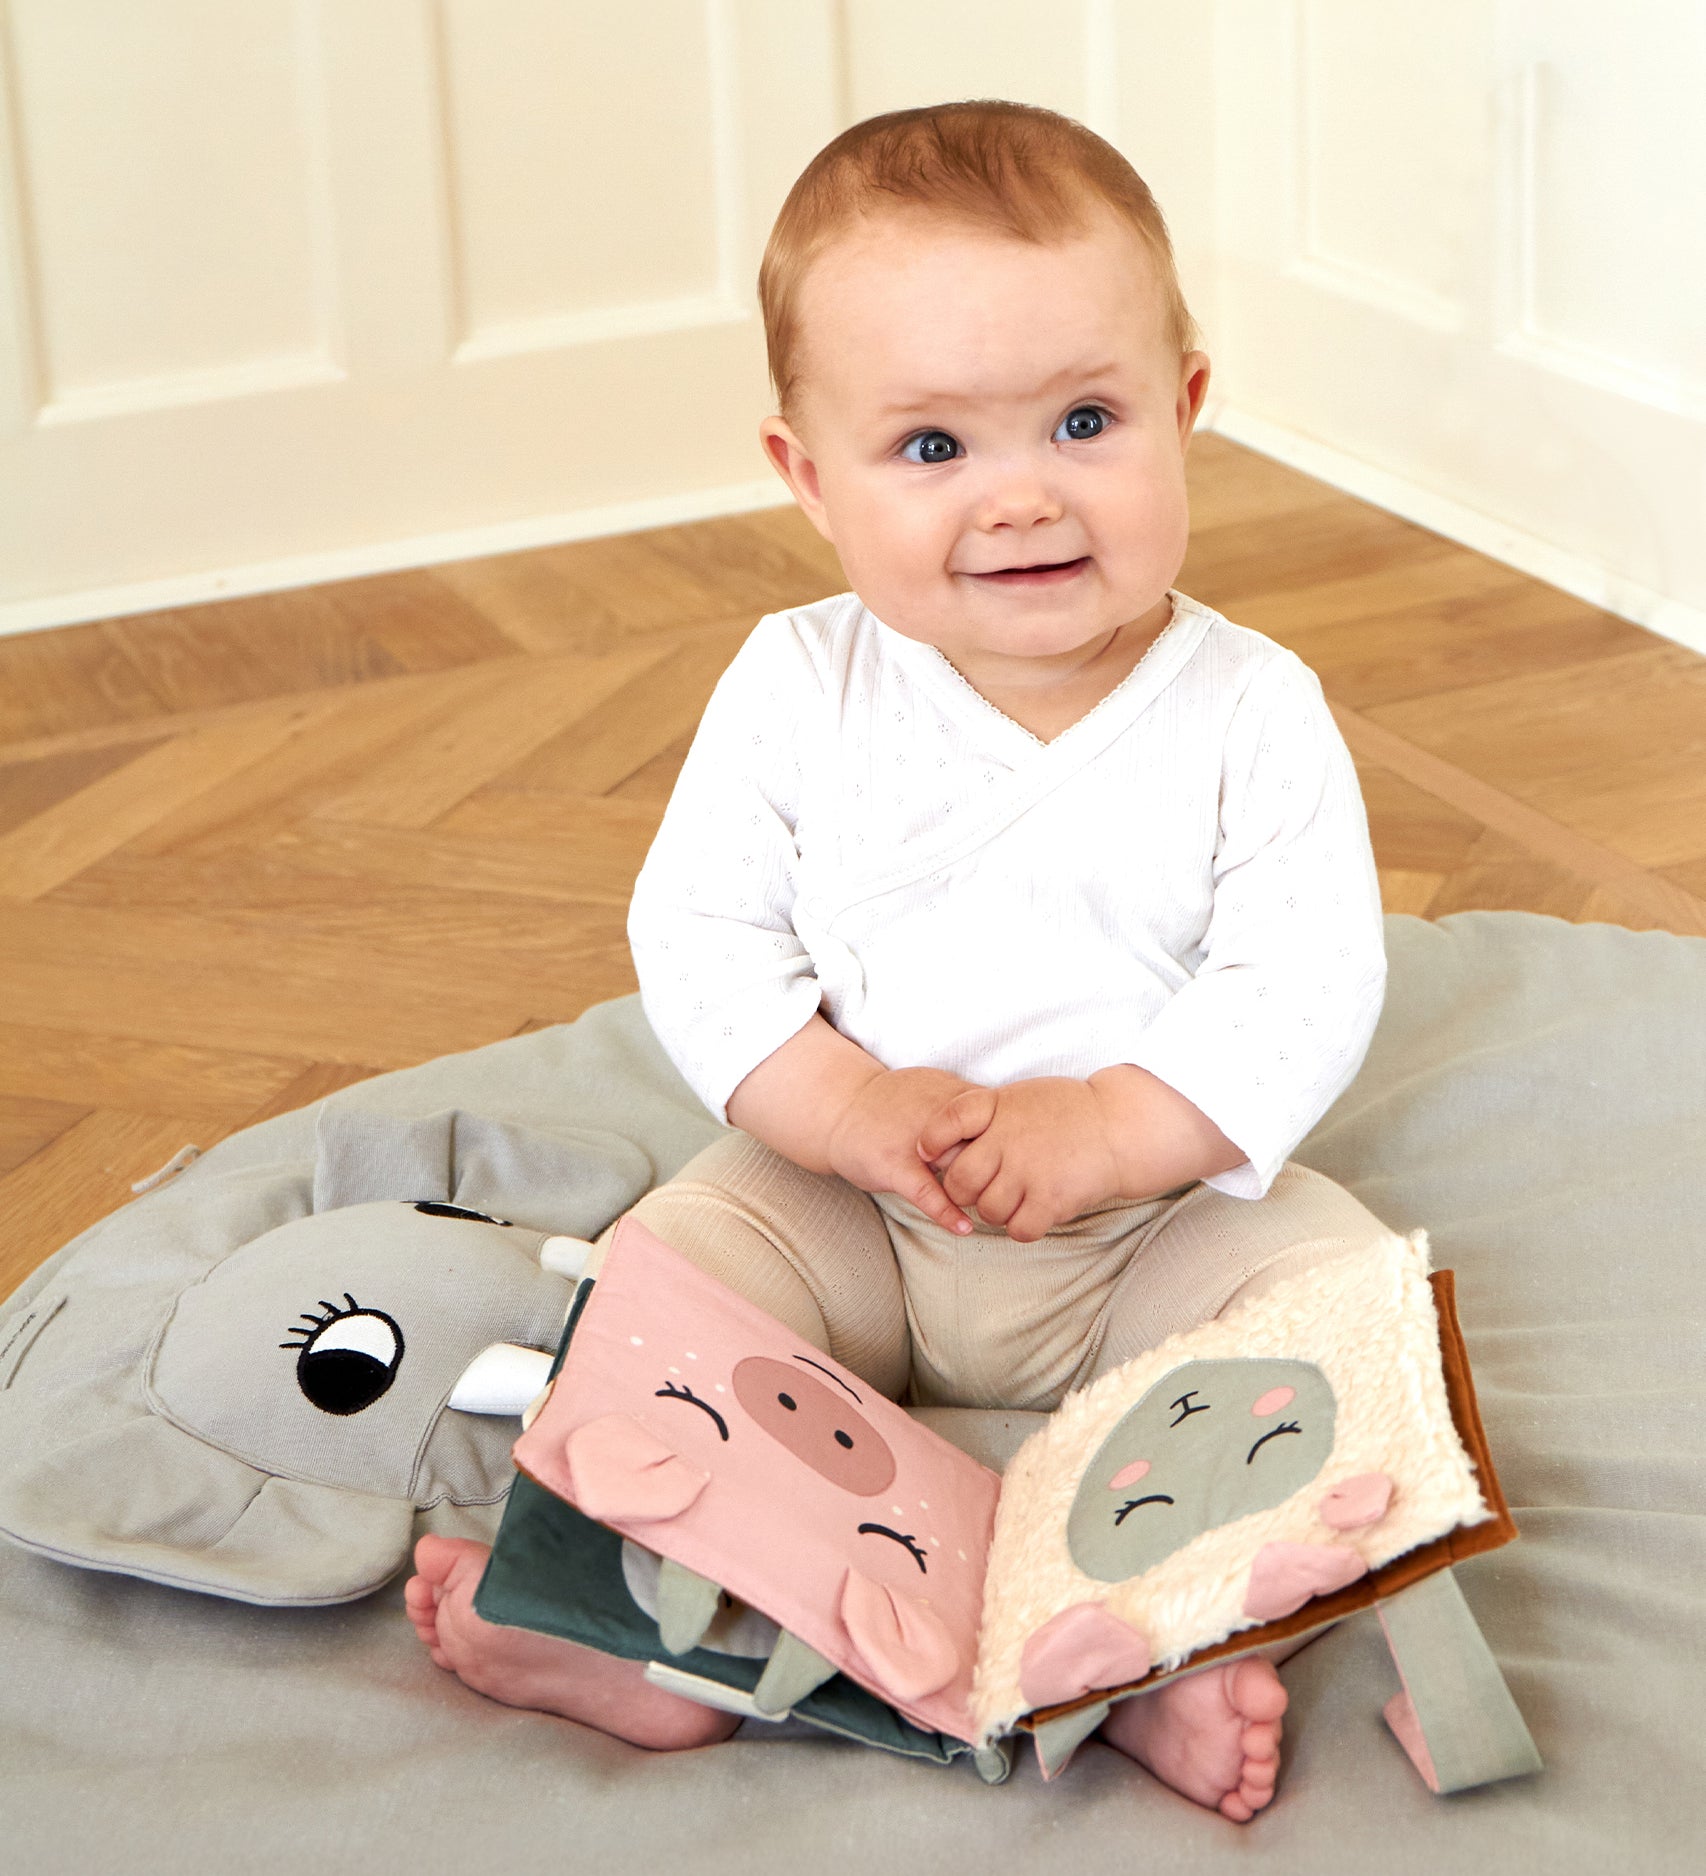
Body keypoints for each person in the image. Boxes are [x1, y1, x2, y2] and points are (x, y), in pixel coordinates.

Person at [408, 100, 1389, 1824]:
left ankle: (1134, 1661)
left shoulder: (1253, 708)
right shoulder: (798, 687)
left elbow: (1304, 978)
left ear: (1187, 407)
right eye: (931, 449)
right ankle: (642, 1631)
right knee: (664, 1289)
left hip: (1150, 1227)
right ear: (807, 475)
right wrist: (840, 1106)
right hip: (854, 1203)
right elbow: (701, 938)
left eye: (1084, 421)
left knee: (1343, 1318)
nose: (1021, 495)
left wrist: (1117, 1127)